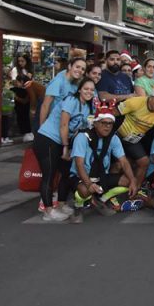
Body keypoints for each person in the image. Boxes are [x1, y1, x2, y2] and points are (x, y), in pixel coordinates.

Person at [34, 77, 97, 220]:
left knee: (67, 173)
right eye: (86, 88)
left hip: (62, 142)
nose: (89, 92)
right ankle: (48, 211)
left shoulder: (87, 107)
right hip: (47, 138)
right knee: (49, 175)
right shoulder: (71, 100)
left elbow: (79, 129)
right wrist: (66, 147)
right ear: (79, 89)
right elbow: (64, 125)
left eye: (92, 90)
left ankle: (61, 205)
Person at [68, 104, 139, 223]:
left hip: (101, 176)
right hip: (81, 177)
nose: (107, 127)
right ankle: (78, 206)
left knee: (128, 182)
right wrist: (89, 184)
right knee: (85, 190)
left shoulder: (113, 138)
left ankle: (100, 200)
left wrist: (133, 180)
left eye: (110, 123)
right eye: (103, 123)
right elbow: (79, 164)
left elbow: (124, 161)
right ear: (95, 123)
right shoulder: (82, 137)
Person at [117, 84, 154, 189]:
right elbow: (113, 114)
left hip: (133, 140)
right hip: (117, 136)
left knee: (144, 162)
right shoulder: (136, 102)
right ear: (151, 97)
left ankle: (136, 189)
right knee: (118, 164)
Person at [39, 56, 85, 125]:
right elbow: (45, 105)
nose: (80, 70)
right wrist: (41, 128)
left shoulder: (75, 83)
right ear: (70, 66)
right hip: (53, 124)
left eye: (83, 69)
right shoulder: (58, 81)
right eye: (77, 67)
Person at [10, 53, 34, 142]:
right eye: (19, 61)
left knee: (27, 113)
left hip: (27, 92)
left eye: (22, 61)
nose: (20, 63)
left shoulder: (29, 70)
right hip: (19, 92)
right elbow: (14, 82)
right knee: (21, 114)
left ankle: (28, 131)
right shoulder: (15, 70)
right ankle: (24, 131)